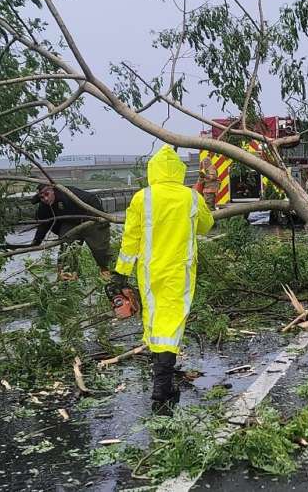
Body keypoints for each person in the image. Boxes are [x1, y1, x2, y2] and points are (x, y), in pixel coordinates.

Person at [113, 145, 214, 414]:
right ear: (179, 171)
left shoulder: (142, 197)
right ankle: (162, 385)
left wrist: (120, 272)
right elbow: (206, 226)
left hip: (149, 271)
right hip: (179, 271)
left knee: (155, 321)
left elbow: (131, 238)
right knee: (172, 324)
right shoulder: (190, 198)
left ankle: (162, 380)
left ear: (153, 170)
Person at [31, 183, 112, 280]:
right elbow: (44, 224)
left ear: (52, 190)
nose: (46, 199)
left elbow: (92, 199)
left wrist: (100, 218)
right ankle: (68, 277)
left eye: (47, 194)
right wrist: (37, 241)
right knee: (67, 249)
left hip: (90, 219)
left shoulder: (68, 193)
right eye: (42, 197)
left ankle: (108, 272)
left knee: (100, 250)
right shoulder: (44, 205)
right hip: (70, 223)